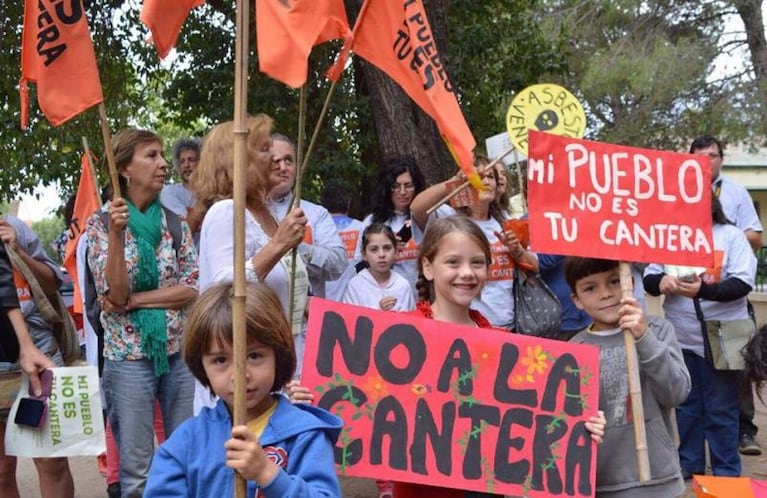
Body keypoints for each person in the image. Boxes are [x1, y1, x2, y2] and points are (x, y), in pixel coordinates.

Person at [393, 216, 605, 498]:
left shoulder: (505, 348)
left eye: (477, 262)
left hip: (485, 488)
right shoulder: (398, 336)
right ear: (428, 267)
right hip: (423, 490)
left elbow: (536, 419)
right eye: (453, 262)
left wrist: (582, 423)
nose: (467, 273)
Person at [145, 281, 343, 497]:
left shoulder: (305, 436)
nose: (240, 375)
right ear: (201, 366)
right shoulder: (186, 442)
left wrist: (268, 474)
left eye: (254, 356)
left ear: (279, 355)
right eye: (220, 360)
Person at [86, 128, 199, 497]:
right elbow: (114, 292)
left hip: (178, 354)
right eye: (151, 155)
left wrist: (136, 301)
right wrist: (118, 237)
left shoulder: (175, 223)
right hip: (126, 360)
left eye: (162, 155)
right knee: (137, 471)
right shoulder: (102, 225)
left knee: (186, 457)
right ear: (124, 170)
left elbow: (190, 289)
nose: (164, 163)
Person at [644, 194, 756, 478]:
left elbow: (742, 283)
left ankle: (726, 470)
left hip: (723, 339)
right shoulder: (668, 237)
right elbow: (649, 278)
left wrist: (702, 291)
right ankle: (688, 465)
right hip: (680, 339)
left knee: (721, 408)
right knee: (686, 407)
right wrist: (662, 281)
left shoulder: (730, 236)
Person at [566, 256, 690, 497]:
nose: (605, 294)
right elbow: (571, 423)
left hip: (660, 478)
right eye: (590, 288)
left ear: (630, 283)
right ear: (576, 300)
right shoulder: (574, 350)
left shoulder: (658, 330)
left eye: (614, 281)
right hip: (602, 482)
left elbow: (677, 393)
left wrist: (644, 338)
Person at [689, 134, 764, 456]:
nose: (709, 161)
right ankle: (692, 454)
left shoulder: (735, 192)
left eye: (714, 155)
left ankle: (744, 432)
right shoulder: (676, 190)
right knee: (695, 392)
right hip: (690, 313)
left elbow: (756, 236)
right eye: (702, 156)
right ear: (690, 157)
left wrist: (722, 233)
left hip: (729, 293)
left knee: (737, 370)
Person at [410, 157, 538, 330]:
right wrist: (454, 182)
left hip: (506, 325)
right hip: (460, 323)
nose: (485, 181)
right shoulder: (448, 218)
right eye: (478, 176)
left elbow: (535, 267)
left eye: (490, 177)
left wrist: (517, 251)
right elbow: (417, 208)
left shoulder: (509, 224)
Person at [0, 229, 74, 498]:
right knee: (2, 467)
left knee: (51, 458)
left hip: (37, 351)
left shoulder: (14, 227)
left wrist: (17, 251)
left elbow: (53, 281)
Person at [266, 134, 347, 299]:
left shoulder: (316, 214)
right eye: (275, 161)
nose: (283, 167)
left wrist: (298, 248)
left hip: (308, 321)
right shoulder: (246, 213)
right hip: (264, 317)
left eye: (288, 160)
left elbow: (338, 264)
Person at [358, 157, 427, 292]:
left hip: (423, 296)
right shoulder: (372, 222)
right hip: (386, 298)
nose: (402, 192)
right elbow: (359, 266)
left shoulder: (428, 217)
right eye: (395, 186)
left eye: (408, 186)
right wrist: (386, 250)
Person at [343, 223, 415, 312]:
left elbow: (412, 320)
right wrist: (379, 310)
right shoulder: (356, 285)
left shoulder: (403, 285)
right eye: (374, 249)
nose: (381, 255)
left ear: (396, 252)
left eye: (387, 248)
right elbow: (349, 319)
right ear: (364, 254)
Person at [320, 183, 365, 302]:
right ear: (348, 203)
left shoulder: (318, 228)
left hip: (320, 300)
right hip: (351, 299)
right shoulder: (361, 228)